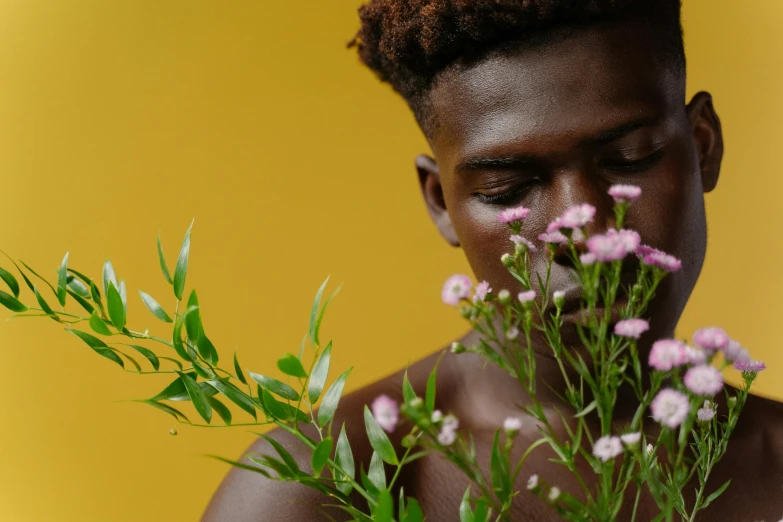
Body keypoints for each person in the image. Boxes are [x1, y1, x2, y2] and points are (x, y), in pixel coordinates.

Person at [203, 1, 783, 520]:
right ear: (440, 202)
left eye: (630, 159)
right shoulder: (324, 489)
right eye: (506, 189)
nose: (585, 230)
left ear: (702, 144)